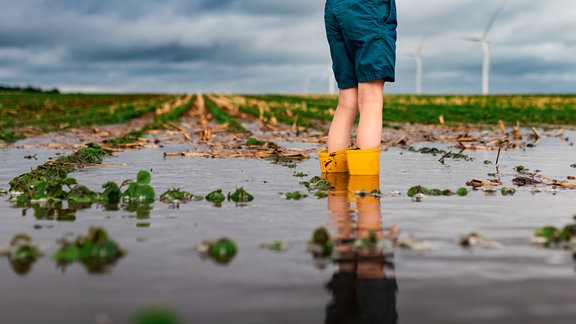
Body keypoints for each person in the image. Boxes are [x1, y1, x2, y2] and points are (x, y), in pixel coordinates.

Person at [319, 0, 397, 176]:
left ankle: (335, 190)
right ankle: (365, 190)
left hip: (334, 8)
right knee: (370, 99)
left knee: (347, 101)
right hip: (369, 8)